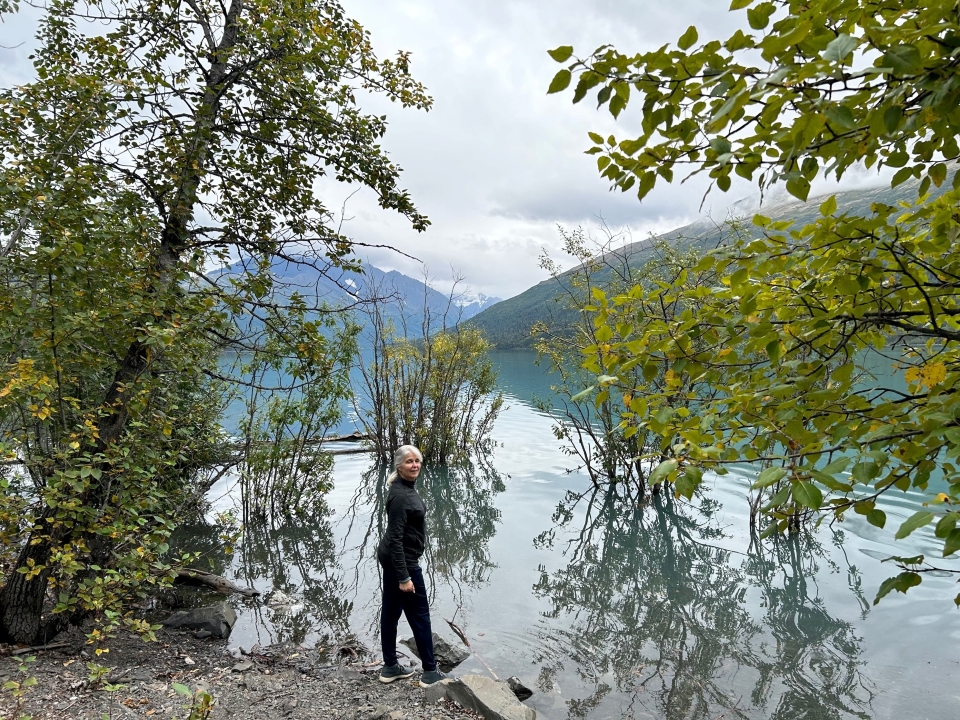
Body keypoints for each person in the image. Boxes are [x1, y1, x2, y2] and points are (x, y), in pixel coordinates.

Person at [377, 444, 449, 687]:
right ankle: (430, 672)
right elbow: (396, 538)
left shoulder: (403, 488)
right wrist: (404, 577)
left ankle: (390, 667)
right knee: (420, 616)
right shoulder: (401, 496)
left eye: (417, 460)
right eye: (409, 461)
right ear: (399, 466)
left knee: (390, 612)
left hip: (394, 559)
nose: (415, 465)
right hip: (403, 562)